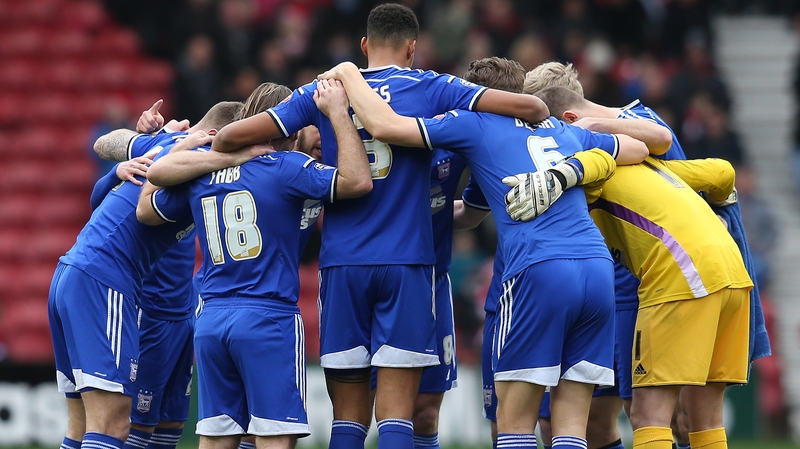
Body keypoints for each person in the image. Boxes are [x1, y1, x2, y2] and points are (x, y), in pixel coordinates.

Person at [209, 5, 551, 449]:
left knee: (348, 420)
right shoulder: (433, 86)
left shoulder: (322, 90)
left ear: (364, 45)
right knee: (396, 417)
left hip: (342, 266)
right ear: (412, 48)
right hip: (407, 264)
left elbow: (229, 136)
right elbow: (532, 106)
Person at [317, 56, 649, 449]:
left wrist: (351, 74)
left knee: (515, 423)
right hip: (597, 271)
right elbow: (643, 145)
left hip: (537, 268)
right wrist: (580, 150)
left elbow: (384, 125)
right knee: (572, 424)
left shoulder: (471, 122)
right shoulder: (564, 130)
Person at [512, 85, 754, 449]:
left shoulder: (592, 162)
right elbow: (722, 171)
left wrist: (558, 176)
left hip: (680, 277)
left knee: (647, 416)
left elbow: (594, 164)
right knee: (705, 422)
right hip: (733, 277)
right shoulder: (658, 168)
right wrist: (720, 207)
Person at [136, 79, 372, 449]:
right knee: (275, 437)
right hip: (268, 317)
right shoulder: (287, 168)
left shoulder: (203, 173)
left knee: (216, 439)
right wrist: (339, 115)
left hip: (211, 319)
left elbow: (148, 210)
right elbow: (358, 181)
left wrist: (180, 152)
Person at [48, 101, 249, 449]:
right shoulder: (182, 153)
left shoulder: (173, 147)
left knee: (88, 426)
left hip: (86, 274)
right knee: (112, 425)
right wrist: (118, 168)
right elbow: (109, 155)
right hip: (110, 283)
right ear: (214, 136)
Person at [524, 61, 687, 449]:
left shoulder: (638, 121)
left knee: (670, 417)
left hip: (652, 288)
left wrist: (594, 128)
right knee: (590, 421)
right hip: (603, 287)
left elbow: (666, 154)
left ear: (566, 116)